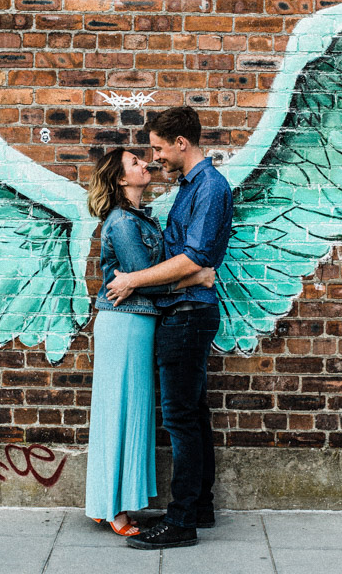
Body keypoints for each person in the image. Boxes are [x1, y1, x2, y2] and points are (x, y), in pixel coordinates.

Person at [105, 107, 233, 551]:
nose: (155, 157)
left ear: (182, 143)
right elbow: (192, 264)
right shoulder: (191, 187)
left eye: (159, 148)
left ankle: (181, 522)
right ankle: (198, 507)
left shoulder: (211, 188)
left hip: (187, 315)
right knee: (193, 415)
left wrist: (132, 280)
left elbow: (194, 258)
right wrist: (195, 274)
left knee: (179, 418)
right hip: (184, 308)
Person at [84, 147, 214, 537]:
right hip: (122, 326)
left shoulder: (141, 219)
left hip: (139, 325)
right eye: (135, 163)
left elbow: (142, 281)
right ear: (122, 179)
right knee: (118, 413)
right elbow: (147, 278)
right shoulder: (123, 223)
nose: (146, 164)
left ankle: (111, 502)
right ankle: (111, 510)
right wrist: (197, 278)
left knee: (134, 414)